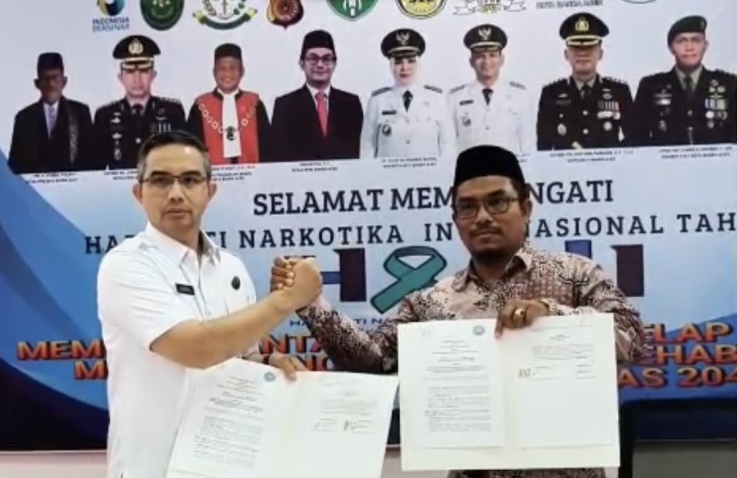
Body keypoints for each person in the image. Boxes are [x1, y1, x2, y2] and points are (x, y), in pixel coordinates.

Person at [270, 144, 647, 478]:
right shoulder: (431, 302)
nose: (482, 217)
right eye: (467, 207)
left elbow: (633, 338)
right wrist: (308, 302)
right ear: (455, 220)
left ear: (527, 207)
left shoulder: (577, 275)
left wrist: (551, 316)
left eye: (497, 202)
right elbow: (371, 362)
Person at [96, 130, 322, 478]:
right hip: (154, 468)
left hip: (226, 466)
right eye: (160, 181)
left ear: (209, 191)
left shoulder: (231, 267)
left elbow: (235, 358)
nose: (175, 193)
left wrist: (266, 363)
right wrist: (287, 300)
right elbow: (197, 348)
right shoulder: (126, 264)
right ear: (138, 192)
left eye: (189, 180)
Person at [537, 12, 636, 150]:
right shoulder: (551, 94)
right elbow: (543, 147)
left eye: (589, 47)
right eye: (576, 47)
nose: (582, 53)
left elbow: (633, 141)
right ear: (566, 54)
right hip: (565, 164)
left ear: (600, 53)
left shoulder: (619, 92)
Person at [633, 15, 736, 146]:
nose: (689, 47)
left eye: (696, 40)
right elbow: (636, 139)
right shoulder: (651, 86)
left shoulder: (729, 84)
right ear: (671, 47)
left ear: (705, 45)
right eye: (681, 41)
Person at [266, 29, 363, 162]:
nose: (320, 65)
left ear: (334, 64)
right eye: (313, 58)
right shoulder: (285, 105)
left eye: (327, 59)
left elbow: (360, 151)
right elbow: (276, 156)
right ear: (301, 64)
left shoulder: (351, 104)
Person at [92, 35, 187, 170]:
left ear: (153, 75)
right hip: (118, 184)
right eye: (130, 72)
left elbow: (183, 160)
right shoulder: (105, 116)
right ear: (121, 77)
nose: (137, 79)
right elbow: (96, 168)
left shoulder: (173, 112)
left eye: (143, 71)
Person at [360, 27, 456, 159]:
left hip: (428, 171)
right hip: (388, 172)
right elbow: (367, 147)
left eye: (410, 61)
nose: (405, 68)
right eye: (398, 62)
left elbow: (448, 145)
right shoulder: (378, 101)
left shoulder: (436, 99)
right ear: (391, 65)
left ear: (418, 63)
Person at [449, 24, 534, 155]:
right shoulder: (455, 98)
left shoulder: (519, 95)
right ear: (471, 61)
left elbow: (528, 143)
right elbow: (449, 145)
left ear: (502, 59)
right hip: (471, 167)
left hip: (507, 166)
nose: (487, 61)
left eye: (492, 55)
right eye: (480, 56)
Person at [8, 52, 94, 174]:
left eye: (55, 78)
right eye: (45, 79)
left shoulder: (80, 114)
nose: (51, 84)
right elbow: (15, 165)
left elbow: (91, 160)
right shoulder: (24, 118)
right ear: (37, 83)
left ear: (64, 81)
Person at [187, 43, 271, 165]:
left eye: (233, 68)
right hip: (213, 175)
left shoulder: (255, 104)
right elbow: (192, 151)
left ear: (242, 71)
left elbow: (267, 147)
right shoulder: (200, 106)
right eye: (222, 68)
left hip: (252, 174)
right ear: (214, 72)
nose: (227, 73)